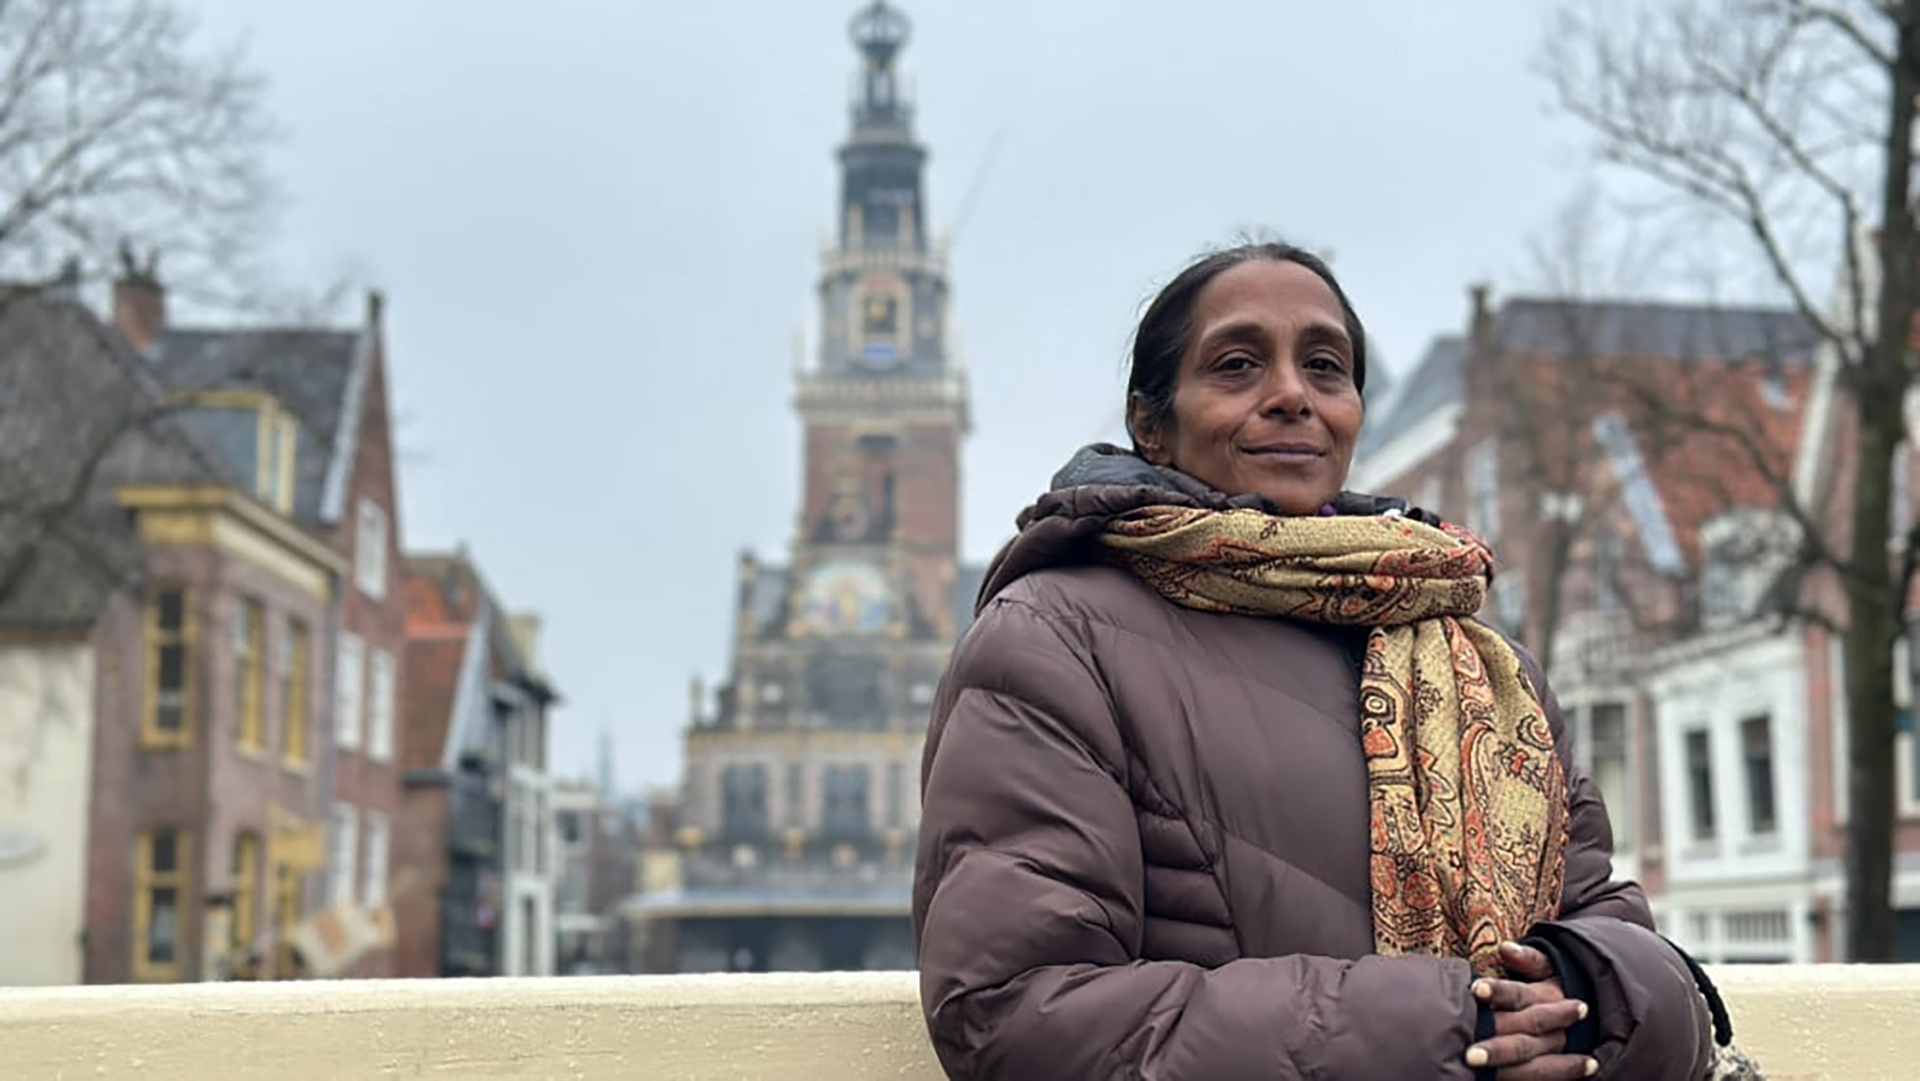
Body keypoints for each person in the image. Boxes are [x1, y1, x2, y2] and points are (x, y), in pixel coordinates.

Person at [912, 242, 1727, 1080]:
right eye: (1236, 365)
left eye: (1325, 367)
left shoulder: (1478, 656)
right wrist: (1456, 1028)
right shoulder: (1052, 639)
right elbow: (1017, 1010)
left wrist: (1584, 995)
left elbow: (1614, 931)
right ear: (1151, 425)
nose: (1292, 395)